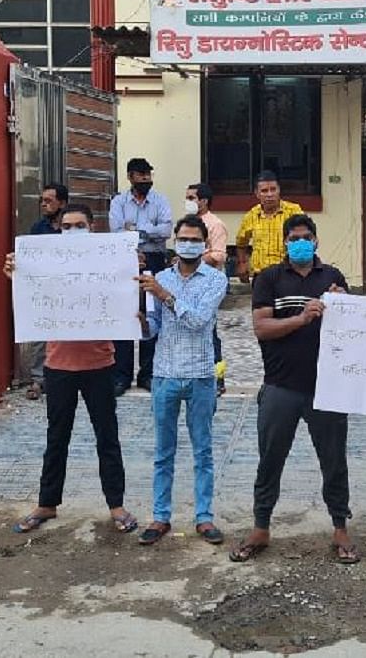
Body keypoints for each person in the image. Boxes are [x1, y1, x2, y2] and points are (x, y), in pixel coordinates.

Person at [4, 203, 139, 535]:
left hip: (100, 363)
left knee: (107, 436)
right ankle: (47, 504)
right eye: (66, 226)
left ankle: (116, 505)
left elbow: (128, 298)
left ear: (92, 228)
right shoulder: (45, 264)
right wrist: (17, 273)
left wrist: (132, 270)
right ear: (58, 230)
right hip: (58, 364)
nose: (73, 231)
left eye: (79, 225)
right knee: (56, 436)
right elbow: (29, 297)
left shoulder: (111, 262)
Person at [229, 214, 357, 564]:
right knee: (270, 459)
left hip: (326, 390)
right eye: (293, 238)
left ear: (316, 240)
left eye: (306, 237)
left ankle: (340, 528)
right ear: (285, 242)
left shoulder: (333, 277)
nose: (300, 242)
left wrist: (344, 304)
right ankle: (261, 526)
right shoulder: (269, 278)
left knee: (334, 461)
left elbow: (353, 331)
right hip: (279, 387)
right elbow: (261, 328)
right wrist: (301, 318)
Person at [135, 215, 229, 546]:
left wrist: (164, 295)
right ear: (175, 240)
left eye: (195, 239)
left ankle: (204, 517)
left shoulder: (216, 281)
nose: (188, 244)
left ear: (204, 244)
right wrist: (142, 324)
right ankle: (161, 516)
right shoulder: (160, 277)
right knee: (164, 450)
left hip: (201, 373)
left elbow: (199, 321)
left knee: (203, 450)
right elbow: (156, 327)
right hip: (164, 374)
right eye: (183, 238)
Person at [109, 158, 172, 393]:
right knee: (126, 314)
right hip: (125, 261)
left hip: (154, 261)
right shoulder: (119, 202)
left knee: (150, 313)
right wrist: (144, 236)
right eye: (141, 175)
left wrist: (136, 232)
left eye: (148, 174)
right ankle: (121, 376)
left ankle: (148, 374)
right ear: (130, 177)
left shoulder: (160, 200)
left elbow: (166, 230)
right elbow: (117, 232)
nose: (146, 179)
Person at [23, 182, 69, 400]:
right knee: (40, 334)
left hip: (70, 288)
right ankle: (38, 380)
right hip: (44, 288)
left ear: (62, 203)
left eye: (49, 200)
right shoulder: (37, 228)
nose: (44, 204)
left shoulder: (72, 229)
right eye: (42, 200)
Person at [186, 182, 230, 397]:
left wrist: (195, 256)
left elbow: (219, 255)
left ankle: (217, 378)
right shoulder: (188, 223)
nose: (188, 202)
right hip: (188, 282)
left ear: (203, 201)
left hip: (209, 283)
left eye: (192, 198)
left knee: (209, 330)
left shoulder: (215, 224)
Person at [235, 171, 303, 285]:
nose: (269, 194)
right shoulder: (251, 215)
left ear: (279, 190)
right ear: (257, 194)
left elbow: (305, 237)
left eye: (273, 189)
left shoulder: (294, 211)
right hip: (261, 275)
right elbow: (241, 243)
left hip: (289, 273)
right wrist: (242, 263)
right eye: (264, 191)